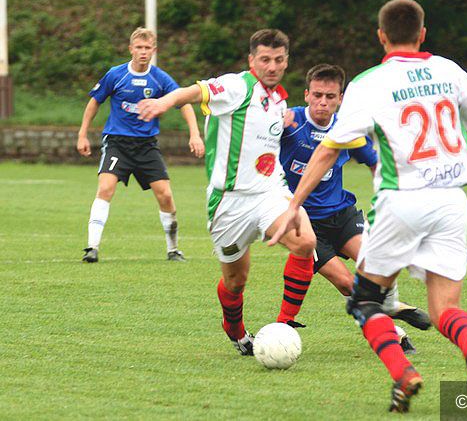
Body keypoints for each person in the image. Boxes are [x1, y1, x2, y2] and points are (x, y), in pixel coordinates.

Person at [269, 0, 467, 413]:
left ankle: (404, 374)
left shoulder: (370, 83)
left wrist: (292, 206)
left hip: (402, 199)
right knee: (445, 308)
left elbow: (329, 149)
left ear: (381, 36)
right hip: (452, 201)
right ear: (423, 33)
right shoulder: (449, 70)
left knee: (365, 301)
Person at [137, 29, 317, 355]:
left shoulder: (278, 99)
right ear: (252, 60)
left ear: (286, 61)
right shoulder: (237, 86)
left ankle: (284, 324)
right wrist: (164, 101)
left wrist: (288, 121)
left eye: (278, 60)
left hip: (269, 193)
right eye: (265, 59)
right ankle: (234, 329)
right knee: (236, 281)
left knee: (305, 241)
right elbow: (195, 91)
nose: (272, 66)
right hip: (228, 202)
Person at [279, 64, 432, 354]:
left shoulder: (346, 128)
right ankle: (395, 333)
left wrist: (391, 194)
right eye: (317, 95)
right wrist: (274, 120)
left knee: (375, 267)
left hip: (342, 215)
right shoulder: (289, 122)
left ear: (340, 99)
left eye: (330, 97)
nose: (322, 102)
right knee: (348, 284)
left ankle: (391, 306)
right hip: (306, 225)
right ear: (307, 94)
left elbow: (375, 163)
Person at [77, 27, 204, 263]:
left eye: (147, 48)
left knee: (165, 195)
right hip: (117, 143)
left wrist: (194, 134)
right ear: (131, 49)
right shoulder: (116, 75)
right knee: (105, 189)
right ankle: (92, 248)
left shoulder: (159, 78)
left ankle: (173, 250)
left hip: (146, 146)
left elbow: (184, 102)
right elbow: (94, 102)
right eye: (139, 47)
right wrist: (82, 134)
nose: (143, 52)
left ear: (153, 50)